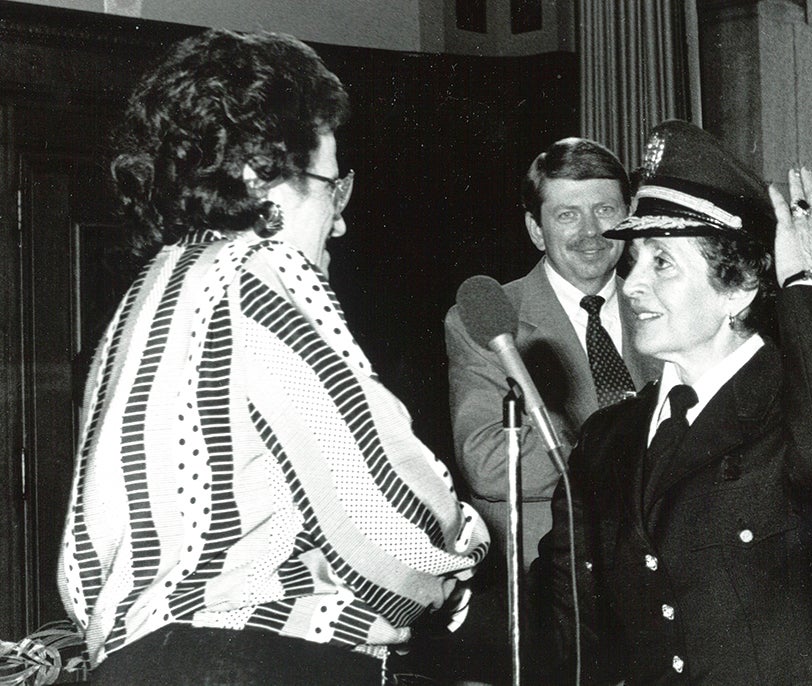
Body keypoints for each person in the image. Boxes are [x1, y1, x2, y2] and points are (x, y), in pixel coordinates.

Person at [56, 29, 489, 686]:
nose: (339, 222)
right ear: (260, 178)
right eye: (329, 187)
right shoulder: (262, 274)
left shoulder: (148, 294)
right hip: (244, 665)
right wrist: (459, 555)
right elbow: (386, 514)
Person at [536, 119, 812, 685]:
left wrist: (802, 282)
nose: (630, 286)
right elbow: (569, 630)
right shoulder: (607, 440)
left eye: (662, 262)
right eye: (635, 261)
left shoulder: (799, 415)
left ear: (740, 284)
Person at [444, 137, 660, 568]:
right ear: (536, 230)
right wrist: (628, 449)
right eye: (567, 215)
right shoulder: (488, 320)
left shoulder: (665, 308)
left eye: (605, 210)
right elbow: (487, 458)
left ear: (629, 218)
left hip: (660, 560)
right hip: (549, 571)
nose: (590, 233)